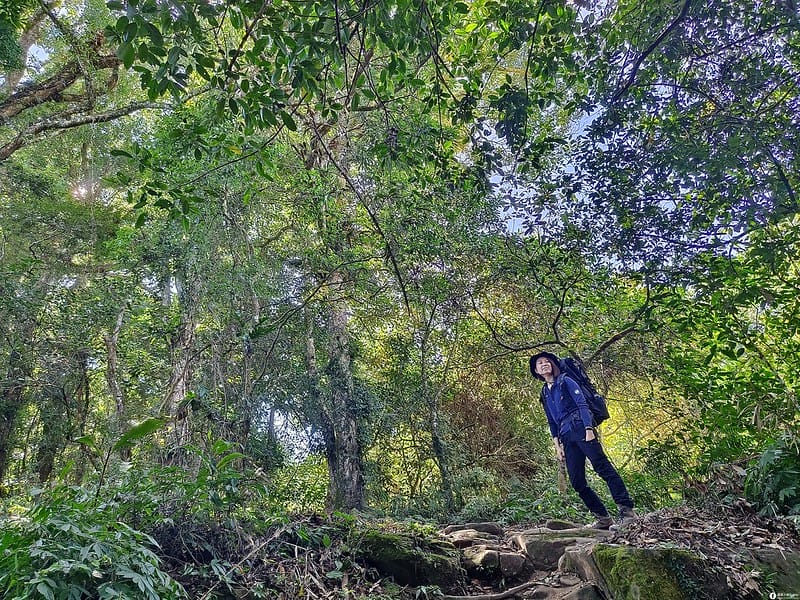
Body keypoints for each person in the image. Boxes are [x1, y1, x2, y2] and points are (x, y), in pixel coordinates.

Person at [530, 351, 635, 529]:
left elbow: (581, 403)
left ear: (553, 365)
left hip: (580, 427)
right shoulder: (545, 392)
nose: (544, 364)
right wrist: (557, 446)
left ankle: (627, 512)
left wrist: (588, 429)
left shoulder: (565, 381)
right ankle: (603, 518)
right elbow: (551, 421)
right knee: (577, 481)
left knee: (603, 468)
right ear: (536, 370)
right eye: (540, 363)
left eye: (547, 361)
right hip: (566, 436)